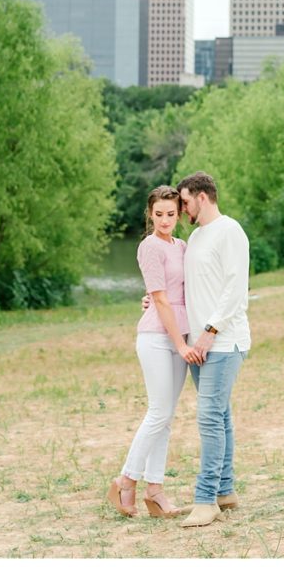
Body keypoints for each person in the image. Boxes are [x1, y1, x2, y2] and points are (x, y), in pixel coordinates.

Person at [107, 185, 199, 519]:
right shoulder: (149, 246)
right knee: (158, 411)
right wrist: (179, 343)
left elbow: (183, 290)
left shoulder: (182, 246)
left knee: (166, 417)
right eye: (158, 214)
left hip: (181, 333)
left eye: (171, 214)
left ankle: (155, 490)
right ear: (150, 214)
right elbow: (159, 298)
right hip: (158, 338)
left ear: (178, 213)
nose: (164, 220)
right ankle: (125, 480)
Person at [176, 171, 251, 529]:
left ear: (202, 197)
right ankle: (225, 490)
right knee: (219, 416)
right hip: (199, 344)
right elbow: (191, 287)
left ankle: (205, 501)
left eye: (185, 201)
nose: (181, 208)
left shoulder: (229, 231)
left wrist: (210, 330)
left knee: (208, 417)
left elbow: (236, 288)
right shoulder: (195, 236)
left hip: (223, 341)